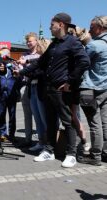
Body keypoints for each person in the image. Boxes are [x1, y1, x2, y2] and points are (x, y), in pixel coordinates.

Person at [14, 13, 90, 168]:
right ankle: (49, 150)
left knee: (67, 121)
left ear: (61, 24)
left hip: (62, 89)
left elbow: (84, 61)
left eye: (52, 24)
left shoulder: (72, 42)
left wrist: (70, 81)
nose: (50, 27)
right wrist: (21, 72)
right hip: (49, 89)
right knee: (50, 121)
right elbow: (40, 63)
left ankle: (71, 154)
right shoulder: (55, 44)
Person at [78, 15, 107, 166]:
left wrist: (83, 41)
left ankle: (95, 156)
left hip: (91, 88)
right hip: (105, 88)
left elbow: (81, 62)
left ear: (100, 28)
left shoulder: (94, 45)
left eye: (92, 27)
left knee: (95, 124)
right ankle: (105, 153)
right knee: (105, 123)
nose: (89, 29)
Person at [17, 33, 48, 151]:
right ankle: (35, 140)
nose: (29, 43)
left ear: (37, 41)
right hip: (29, 85)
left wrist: (25, 67)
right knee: (32, 115)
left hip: (40, 85)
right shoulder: (24, 55)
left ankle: (48, 143)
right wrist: (21, 69)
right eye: (27, 42)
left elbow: (33, 70)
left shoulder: (42, 55)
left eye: (31, 41)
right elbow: (22, 71)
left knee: (42, 116)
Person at [0, 47, 21, 143]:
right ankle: (3, 134)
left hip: (12, 94)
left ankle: (12, 134)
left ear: (8, 55)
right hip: (1, 94)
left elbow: (20, 78)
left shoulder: (14, 65)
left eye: (3, 55)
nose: (2, 57)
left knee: (12, 115)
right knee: (1, 114)